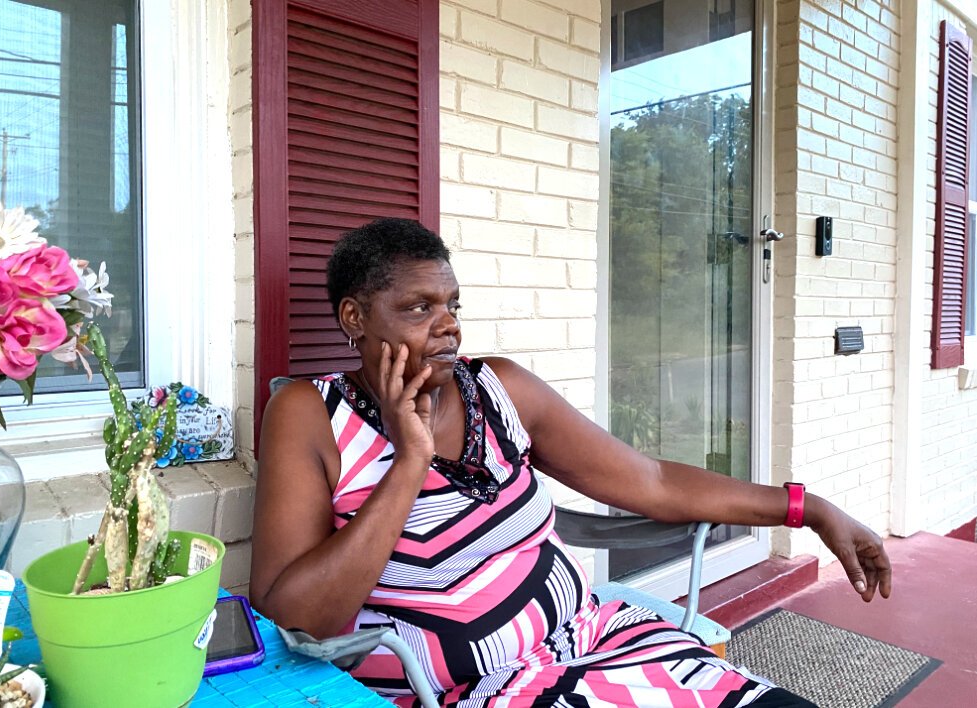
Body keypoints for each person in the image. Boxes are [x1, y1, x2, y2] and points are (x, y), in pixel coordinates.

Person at [251, 218, 891, 708]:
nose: (448, 327)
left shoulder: (498, 388)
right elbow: (295, 618)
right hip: (469, 690)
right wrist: (408, 463)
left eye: (452, 306)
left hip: (599, 638)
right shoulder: (310, 416)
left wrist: (807, 509)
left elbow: (652, 482)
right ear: (355, 319)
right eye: (419, 308)